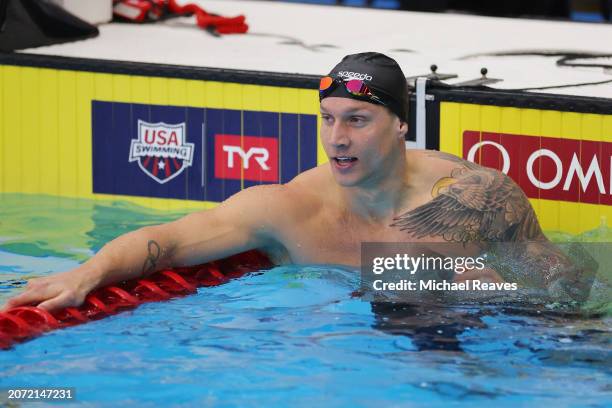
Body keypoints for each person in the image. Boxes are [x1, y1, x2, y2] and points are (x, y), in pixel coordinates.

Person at [2, 52, 591, 312]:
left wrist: (487, 287)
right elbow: (173, 239)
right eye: (328, 119)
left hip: (496, 344)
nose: (338, 138)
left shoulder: (474, 194)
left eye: (358, 121)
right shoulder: (290, 208)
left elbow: (564, 289)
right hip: (353, 356)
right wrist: (88, 273)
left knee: (407, 274)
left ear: (401, 127)